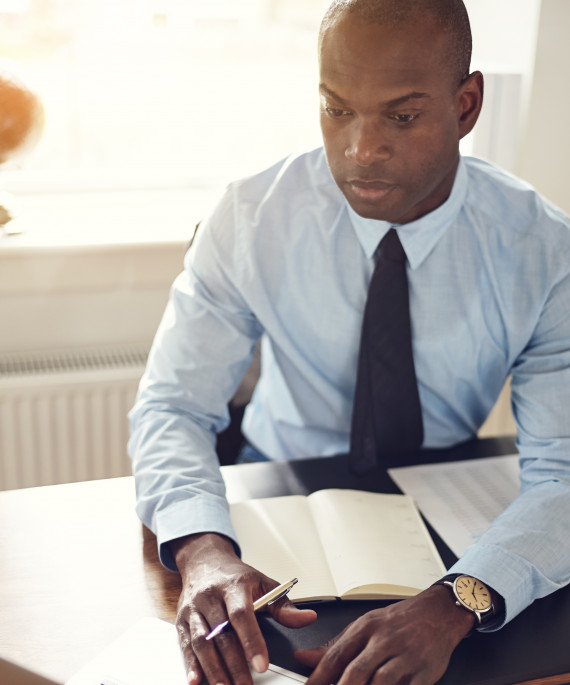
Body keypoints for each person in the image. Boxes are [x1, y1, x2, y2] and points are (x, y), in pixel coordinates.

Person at [128, 1, 570, 683]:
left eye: (401, 116)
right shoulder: (252, 217)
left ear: (467, 103)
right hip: (276, 512)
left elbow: (565, 470)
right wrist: (202, 548)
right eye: (337, 109)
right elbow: (171, 406)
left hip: (446, 528)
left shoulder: (542, 250)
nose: (362, 148)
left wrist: (460, 600)